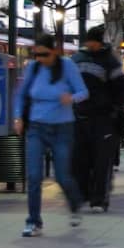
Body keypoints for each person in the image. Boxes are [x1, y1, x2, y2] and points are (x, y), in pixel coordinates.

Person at [12, 34, 88, 237]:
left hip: (62, 127)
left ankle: (74, 202)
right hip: (36, 126)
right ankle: (33, 221)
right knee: (34, 175)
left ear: (54, 51)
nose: (40, 59)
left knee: (62, 175)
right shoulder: (34, 68)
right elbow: (21, 94)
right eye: (36, 54)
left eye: (44, 54)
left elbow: (83, 91)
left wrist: (71, 98)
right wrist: (18, 117)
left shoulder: (67, 66)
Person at [71, 25, 124, 213]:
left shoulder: (110, 61)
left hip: (104, 117)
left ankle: (99, 199)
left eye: (93, 42)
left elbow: (120, 87)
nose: (91, 45)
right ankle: (85, 192)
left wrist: (116, 109)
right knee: (80, 159)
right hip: (80, 116)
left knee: (102, 161)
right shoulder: (77, 59)